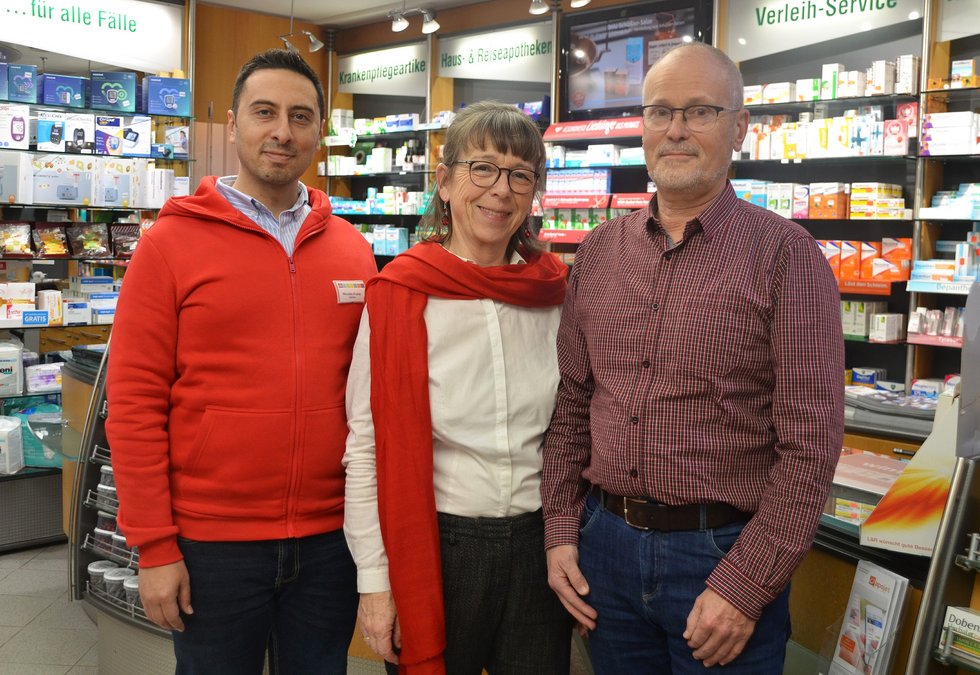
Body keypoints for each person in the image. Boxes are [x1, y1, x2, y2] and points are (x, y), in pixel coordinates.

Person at [542, 42, 844, 674]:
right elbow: (571, 405)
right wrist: (562, 532)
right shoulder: (598, 253)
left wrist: (746, 586)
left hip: (723, 554)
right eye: (659, 112)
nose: (675, 130)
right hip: (606, 553)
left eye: (699, 112)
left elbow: (810, 447)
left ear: (738, 128)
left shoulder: (786, 256)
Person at [106, 48, 376, 674]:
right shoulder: (169, 244)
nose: (283, 131)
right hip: (211, 544)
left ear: (319, 131)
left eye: (301, 116)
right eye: (265, 112)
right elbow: (135, 404)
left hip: (330, 540)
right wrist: (153, 546)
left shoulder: (352, 249)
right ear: (233, 125)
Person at [344, 101, 572, 675]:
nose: (501, 190)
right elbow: (367, 449)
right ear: (444, 182)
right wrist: (374, 584)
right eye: (483, 168)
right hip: (438, 545)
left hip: (540, 545)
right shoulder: (400, 295)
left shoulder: (555, 295)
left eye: (521, 174)